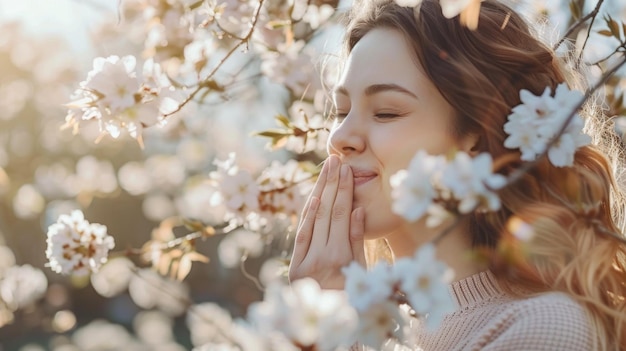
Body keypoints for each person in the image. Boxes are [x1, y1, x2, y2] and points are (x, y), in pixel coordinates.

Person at [288, 0, 626, 350]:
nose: (339, 138)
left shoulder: (542, 328)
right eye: (342, 112)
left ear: (478, 133)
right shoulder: (377, 328)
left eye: (386, 113)